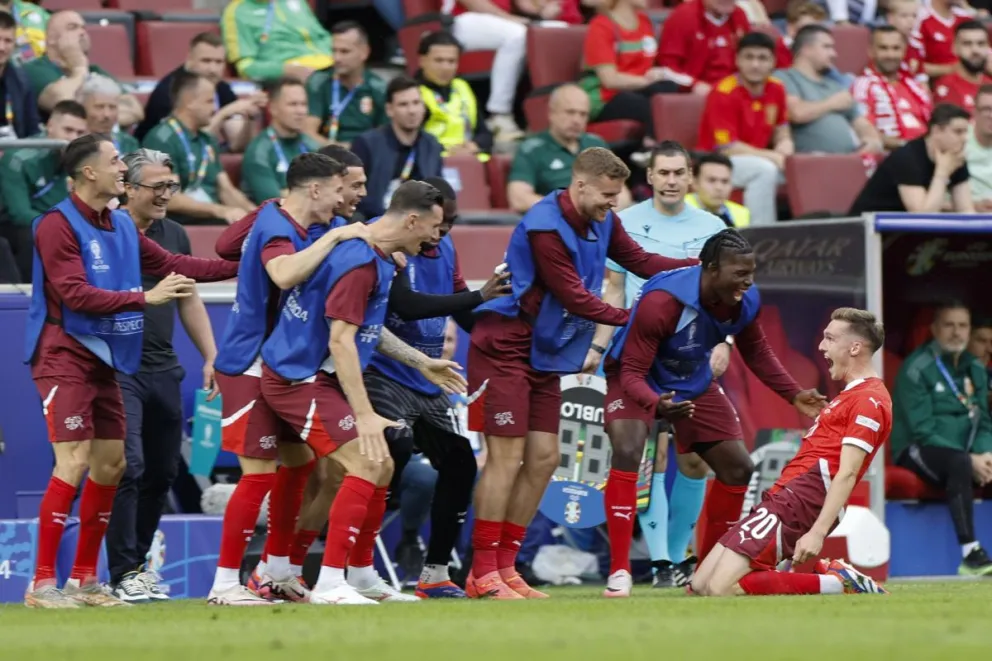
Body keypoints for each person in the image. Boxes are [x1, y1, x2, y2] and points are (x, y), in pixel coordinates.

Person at [465, 147, 698, 600]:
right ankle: (482, 572)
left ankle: (507, 567)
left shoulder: (603, 219)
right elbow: (574, 296)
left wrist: (697, 267)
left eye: (617, 195)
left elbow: (641, 261)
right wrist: (636, 318)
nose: (613, 203)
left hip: (545, 351)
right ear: (580, 185)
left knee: (544, 459)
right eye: (607, 195)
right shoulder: (544, 226)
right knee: (505, 459)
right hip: (505, 347)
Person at [22, 133, 238, 608]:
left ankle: (85, 582)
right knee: (74, 462)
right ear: (88, 172)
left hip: (108, 357)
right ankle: (41, 584)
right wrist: (145, 297)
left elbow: (176, 263)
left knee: (112, 465)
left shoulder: (119, 223)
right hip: (64, 356)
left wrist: (247, 263)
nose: (123, 167)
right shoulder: (55, 225)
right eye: (115, 159)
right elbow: (74, 294)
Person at [259, 180, 465, 605]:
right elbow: (340, 341)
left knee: (382, 463)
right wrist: (365, 413)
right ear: (412, 220)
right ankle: (330, 582)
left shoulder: (379, 257)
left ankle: (359, 575)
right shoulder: (360, 262)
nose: (436, 238)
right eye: (434, 227)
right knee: (368, 461)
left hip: (317, 376)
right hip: (298, 377)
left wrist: (421, 362)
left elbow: (368, 330)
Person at [600, 228, 826, 597]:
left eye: (751, 273)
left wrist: (794, 393)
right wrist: (656, 404)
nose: (748, 282)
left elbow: (757, 352)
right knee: (627, 448)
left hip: (692, 380)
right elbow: (632, 373)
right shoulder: (663, 302)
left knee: (738, 468)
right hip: (636, 379)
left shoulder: (745, 300)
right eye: (740, 273)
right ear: (711, 269)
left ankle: (704, 576)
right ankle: (619, 572)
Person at [207, 153, 371, 606]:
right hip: (249, 362)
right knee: (257, 474)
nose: (344, 198)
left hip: (281, 365)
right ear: (315, 189)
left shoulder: (301, 225)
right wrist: (337, 235)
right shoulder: (277, 227)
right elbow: (281, 274)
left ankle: (277, 570)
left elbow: (226, 245)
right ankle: (225, 584)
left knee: (300, 465)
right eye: (339, 189)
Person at [587, 142, 726, 590]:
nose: (670, 180)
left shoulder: (712, 227)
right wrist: (599, 347)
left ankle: (679, 552)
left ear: (690, 177)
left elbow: (726, 294)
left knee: (695, 461)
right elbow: (614, 288)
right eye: (663, 172)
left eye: (678, 172)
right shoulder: (625, 222)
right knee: (650, 457)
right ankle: (662, 561)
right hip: (639, 353)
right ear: (649, 177)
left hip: (690, 356)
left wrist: (724, 341)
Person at [365, 176, 507, 599]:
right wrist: (479, 297)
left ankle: (436, 574)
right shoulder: (382, 240)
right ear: (416, 217)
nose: (442, 231)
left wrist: (503, 341)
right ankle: (354, 565)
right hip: (383, 370)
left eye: (450, 222)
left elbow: (459, 302)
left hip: (427, 379)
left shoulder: (444, 246)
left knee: (460, 462)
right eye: (438, 223)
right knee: (393, 449)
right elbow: (405, 305)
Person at [691, 308, 890, 597]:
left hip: (803, 499)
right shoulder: (850, 395)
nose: (821, 346)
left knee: (720, 588)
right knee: (700, 585)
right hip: (784, 495)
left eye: (830, 339)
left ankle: (839, 583)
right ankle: (828, 581)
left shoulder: (869, 400)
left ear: (855, 348)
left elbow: (847, 472)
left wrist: (818, 532)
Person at [105, 150, 219, 603]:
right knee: (128, 467)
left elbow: (188, 295)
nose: (167, 195)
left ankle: (135, 568)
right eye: (158, 187)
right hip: (117, 367)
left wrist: (210, 356)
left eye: (171, 186)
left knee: (162, 471)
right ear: (128, 188)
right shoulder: (104, 231)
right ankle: (120, 572)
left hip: (163, 367)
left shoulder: (174, 233)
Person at [891, 302, 992, 576]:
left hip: (966, 455)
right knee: (959, 462)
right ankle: (970, 553)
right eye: (949, 325)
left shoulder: (975, 368)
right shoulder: (917, 368)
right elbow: (922, 430)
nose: (956, 332)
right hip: (917, 450)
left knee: (965, 461)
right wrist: (970, 459)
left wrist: (985, 453)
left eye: (962, 326)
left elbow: (983, 420)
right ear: (935, 329)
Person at [697, 32, 794, 225]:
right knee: (764, 170)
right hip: (717, 161)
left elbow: (781, 127)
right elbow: (728, 147)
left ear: (773, 62)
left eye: (762, 58)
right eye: (749, 57)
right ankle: (762, 235)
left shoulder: (777, 88)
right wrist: (773, 156)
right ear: (737, 60)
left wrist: (785, 142)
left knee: (803, 168)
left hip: (758, 156)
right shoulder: (723, 91)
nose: (755, 64)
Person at [142, 70, 255, 224]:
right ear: (189, 102)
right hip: (180, 223)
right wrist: (220, 210)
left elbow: (226, 190)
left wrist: (256, 214)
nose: (214, 108)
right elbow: (169, 197)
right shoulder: (162, 139)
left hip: (212, 218)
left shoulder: (208, 140)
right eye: (209, 101)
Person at [0, 99, 88, 282]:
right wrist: (61, 225)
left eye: (80, 133)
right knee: (34, 235)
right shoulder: (19, 158)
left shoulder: (83, 160)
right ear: (50, 126)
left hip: (54, 220)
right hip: (12, 225)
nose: (73, 138)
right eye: (68, 130)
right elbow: (20, 214)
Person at [508, 84, 626, 215]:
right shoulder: (532, 149)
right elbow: (519, 198)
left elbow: (623, 194)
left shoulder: (596, 144)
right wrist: (567, 209)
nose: (576, 120)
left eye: (583, 114)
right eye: (570, 112)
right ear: (552, 113)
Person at [135, 32, 262, 150]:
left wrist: (249, 117)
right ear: (189, 59)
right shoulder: (170, 90)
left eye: (219, 62)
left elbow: (237, 145)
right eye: (206, 61)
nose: (213, 69)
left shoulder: (222, 88)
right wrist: (224, 113)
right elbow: (185, 142)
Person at [580, 0, 675, 148]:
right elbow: (609, 80)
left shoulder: (645, 22)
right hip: (606, 96)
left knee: (670, 89)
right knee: (652, 106)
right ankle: (650, 148)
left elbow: (649, 63)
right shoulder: (601, 25)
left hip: (638, 88)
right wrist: (646, 80)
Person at [777, 25, 884, 155]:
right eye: (827, 47)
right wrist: (832, 103)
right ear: (806, 49)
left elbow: (862, 122)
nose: (834, 54)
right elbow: (796, 113)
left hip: (849, 158)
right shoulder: (784, 77)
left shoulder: (835, 86)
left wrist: (870, 139)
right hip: (810, 158)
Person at [849, 103, 973, 214]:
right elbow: (923, 218)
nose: (965, 138)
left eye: (965, 132)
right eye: (958, 132)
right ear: (936, 130)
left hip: (902, 229)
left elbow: (966, 210)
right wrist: (942, 173)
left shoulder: (955, 157)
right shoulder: (907, 157)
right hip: (869, 227)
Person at [24, 11, 142, 126]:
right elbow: (63, 104)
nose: (82, 32)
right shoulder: (35, 69)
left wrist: (92, 117)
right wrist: (79, 68)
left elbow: (135, 110)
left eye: (83, 28)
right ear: (51, 38)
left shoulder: (95, 70)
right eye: (72, 27)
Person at [352, 76, 443, 221]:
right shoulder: (367, 143)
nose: (412, 110)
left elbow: (438, 193)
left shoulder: (432, 145)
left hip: (420, 223)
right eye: (403, 104)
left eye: (416, 103)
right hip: (376, 221)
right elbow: (355, 196)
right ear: (389, 109)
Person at [304, 22, 387, 148]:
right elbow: (308, 133)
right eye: (334, 51)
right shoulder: (318, 81)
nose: (337, 58)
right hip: (325, 153)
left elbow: (385, 137)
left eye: (344, 51)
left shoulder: (378, 87)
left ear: (364, 52)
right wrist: (340, 151)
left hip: (366, 154)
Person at [852, 26, 933, 152]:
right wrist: (907, 146)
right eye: (883, 48)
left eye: (896, 48)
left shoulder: (915, 86)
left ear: (904, 51)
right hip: (890, 155)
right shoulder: (863, 85)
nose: (890, 55)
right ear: (871, 51)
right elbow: (864, 131)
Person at [242, 77, 320, 204]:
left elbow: (330, 192)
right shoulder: (259, 151)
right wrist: (315, 194)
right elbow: (273, 201)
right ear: (273, 108)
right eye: (293, 104)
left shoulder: (312, 146)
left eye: (304, 104)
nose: (300, 111)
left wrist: (287, 192)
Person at [417, 30, 493, 159]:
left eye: (451, 61)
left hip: (471, 161)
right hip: (434, 163)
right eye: (439, 61)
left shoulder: (462, 87)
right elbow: (410, 140)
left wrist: (474, 145)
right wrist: (452, 151)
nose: (445, 67)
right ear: (422, 61)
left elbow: (485, 134)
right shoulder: (412, 93)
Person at [221, 0, 332, 83]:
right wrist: (286, 70)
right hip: (294, 78)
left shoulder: (296, 2)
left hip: (331, 66)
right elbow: (246, 68)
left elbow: (322, 37)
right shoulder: (238, 11)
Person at [657, 0, 752, 95]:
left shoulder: (739, 15)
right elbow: (667, 67)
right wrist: (693, 85)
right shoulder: (683, 17)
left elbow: (750, 57)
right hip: (696, 94)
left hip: (735, 91)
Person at [933, 20, 992, 113]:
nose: (975, 50)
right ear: (954, 48)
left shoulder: (989, 84)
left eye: (981, 44)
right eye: (967, 44)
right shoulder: (948, 88)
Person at [0, 10, 40, 139]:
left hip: (14, 148)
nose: (2, 47)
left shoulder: (22, 80)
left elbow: (32, 129)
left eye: (8, 41)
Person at [76, 74, 140, 154]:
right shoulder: (72, 142)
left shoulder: (128, 144)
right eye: (99, 107)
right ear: (82, 108)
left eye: (112, 107)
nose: (107, 115)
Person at [686, 152, 750, 228]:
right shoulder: (679, 209)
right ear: (695, 183)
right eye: (711, 180)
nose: (719, 187)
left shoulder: (742, 212)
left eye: (725, 181)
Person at [912, 0, 973, 79]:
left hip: (971, 78)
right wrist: (952, 69)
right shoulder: (920, 19)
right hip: (937, 81)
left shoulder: (965, 17)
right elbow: (914, 65)